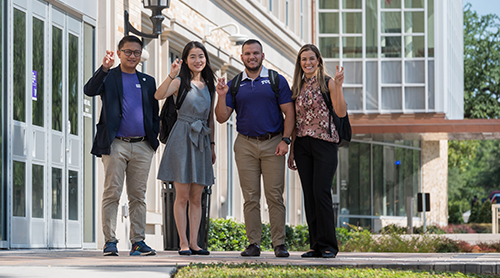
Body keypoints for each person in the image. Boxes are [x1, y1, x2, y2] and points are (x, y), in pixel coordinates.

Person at [215, 39, 295, 258]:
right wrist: (221, 96)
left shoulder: (275, 80)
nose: (252, 57)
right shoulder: (234, 83)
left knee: (274, 196)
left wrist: (285, 141)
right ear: (241, 57)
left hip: (273, 143)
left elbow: (290, 113)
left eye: (255, 53)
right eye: (247, 53)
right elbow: (222, 117)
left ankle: (279, 243)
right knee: (250, 197)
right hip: (245, 144)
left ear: (263, 56)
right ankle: (254, 244)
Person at [84, 35, 159, 256]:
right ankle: (110, 242)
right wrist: (104, 69)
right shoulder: (110, 77)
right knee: (112, 193)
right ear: (119, 53)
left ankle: (138, 242)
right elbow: (90, 90)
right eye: (128, 52)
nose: (132, 56)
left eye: (137, 52)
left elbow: (154, 114)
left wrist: (152, 139)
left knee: (138, 196)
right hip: (116, 144)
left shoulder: (148, 81)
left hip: (142, 146)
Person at [156, 41, 216, 256]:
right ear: (185, 59)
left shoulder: (210, 85)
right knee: (181, 196)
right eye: (192, 56)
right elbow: (158, 95)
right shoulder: (180, 81)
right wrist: (171, 75)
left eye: (201, 56)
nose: (197, 60)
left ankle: (195, 243)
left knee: (196, 197)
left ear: (206, 59)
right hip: (182, 137)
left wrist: (212, 146)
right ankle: (182, 242)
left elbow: (210, 119)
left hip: (201, 140)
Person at [287, 44, 346, 258]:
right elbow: (295, 120)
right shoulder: (297, 87)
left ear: (318, 61)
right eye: (303, 59)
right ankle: (315, 245)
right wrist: (292, 149)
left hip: (325, 143)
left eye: (311, 59)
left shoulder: (328, 82)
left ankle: (329, 245)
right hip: (302, 145)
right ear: (300, 63)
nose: (307, 63)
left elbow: (340, 112)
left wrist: (338, 87)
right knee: (309, 195)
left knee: (321, 192)